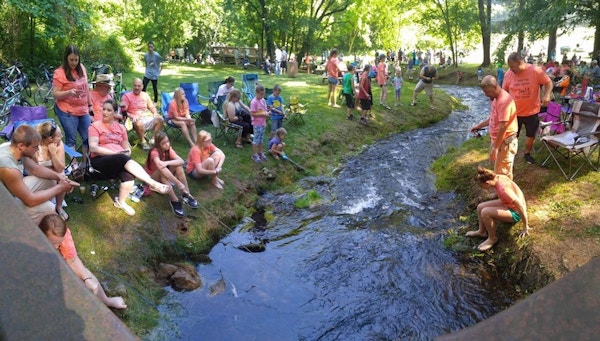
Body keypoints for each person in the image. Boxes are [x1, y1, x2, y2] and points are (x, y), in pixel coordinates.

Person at [88, 99, 170, 216]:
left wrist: (124, 153)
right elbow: (93, 148)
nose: (105, 112)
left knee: (129, 175)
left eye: (109, 110)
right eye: (104, 109)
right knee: (121, 158)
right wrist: (116, 154)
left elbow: (128, 150)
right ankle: (152, 183)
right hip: (99, 160)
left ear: (115, 113)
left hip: (119, 160)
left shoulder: (121, 128)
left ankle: (121, 202)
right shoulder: (95, 126)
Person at [38, 214, 127, 309]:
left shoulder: (65, 236)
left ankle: (107, 301)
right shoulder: (34, 241)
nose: (56, 247)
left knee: (84, 273)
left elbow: (73, 260)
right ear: (41, 234)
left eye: (59, 243)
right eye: (53, 243)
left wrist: (86, 279)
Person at [0, 125, 78, 225]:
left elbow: (35, 169)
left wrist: (60, 177)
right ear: (21, 146)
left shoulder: (12, 148)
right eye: (35, 147)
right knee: (48, 208)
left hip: (9, 192)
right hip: (4, 205)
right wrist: (60, 187)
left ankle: (37, 208)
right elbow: (30, 200)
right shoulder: (9, 169)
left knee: (50, 178)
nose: (37, 149)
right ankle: (22, 229)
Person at [502, 52, 553, 165]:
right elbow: (504, 92)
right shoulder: (508, 74)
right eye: (509, 67)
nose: (510, 69)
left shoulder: (536, 71)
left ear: (520, 62)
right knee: (512, 135)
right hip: (514, 113)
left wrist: (547, 95)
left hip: (532, 112)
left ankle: (527, 153)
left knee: (530, 135)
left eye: (512, 66)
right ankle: (511, 154)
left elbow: (548, 83)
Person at [466, 166, 530, 251]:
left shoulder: (504, 190)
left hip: (515, 212)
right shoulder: (497, 177)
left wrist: (525, 226)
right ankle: (481, 232)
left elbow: (520, 205)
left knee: (485, 212)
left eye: (481, 186)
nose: (481, 188)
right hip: (507, 203)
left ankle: (492, 238)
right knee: (480, 207)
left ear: (487, 183)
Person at [470, 76, 518, 179]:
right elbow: (492, 118)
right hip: (499, 142)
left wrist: (495, 147)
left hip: (505, 143)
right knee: (499, 170)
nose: (486, 95)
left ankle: (504, 194)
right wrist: (478, 126)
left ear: (495, 87)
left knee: (503, 174)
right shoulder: (495, 99)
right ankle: (500, 192)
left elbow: (503, 126)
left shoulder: (504, 101)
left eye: (487, 92)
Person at [52, 44, 92, 161]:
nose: (74, 63)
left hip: (83, 109)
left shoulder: (82, 68)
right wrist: (69, 92)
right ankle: (74, 166)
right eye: (71, 60)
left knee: (88, 137)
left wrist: (90, 105)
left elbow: (86, 88)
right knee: (71, 138)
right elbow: (55, 94)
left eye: (76, 60)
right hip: (67, 111)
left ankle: (86, 164)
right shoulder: (59, 73)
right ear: (66, 58)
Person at [145, 132, 198, 217]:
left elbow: (181, 161)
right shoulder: (154, 152)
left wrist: (167, 163)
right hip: (152, 178)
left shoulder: (168, 149)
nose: (167, 144)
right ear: (158, 145)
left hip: (164, 173)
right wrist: (177, 183)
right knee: (162, 172)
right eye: (163, 143)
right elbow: (160, 166)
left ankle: (186, 193)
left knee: (179, 166)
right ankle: (174, 201)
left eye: (167, 141)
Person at [36, 121, 69, 221]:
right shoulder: (36, 145)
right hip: (37, 175)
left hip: (53, 174)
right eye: (59, 135)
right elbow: (34, 168)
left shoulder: (58, 144)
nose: (62, 137)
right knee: (59, 176)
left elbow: (60, 168)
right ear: (50, 139)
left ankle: (59, 206)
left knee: (62, 175)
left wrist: (53, 154)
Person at [120, 78, 164, 150]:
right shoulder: (127, 96)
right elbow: (123, 111)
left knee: (160, 119)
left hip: (145, 116)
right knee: (139, 123)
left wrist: (155, 113)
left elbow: (151, 106)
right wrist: (132, 115)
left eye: (139, 86)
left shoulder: (145, 95)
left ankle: (153, 140)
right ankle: (143, 142)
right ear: (133, 86)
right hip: (133, 119)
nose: (137, 88)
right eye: (135, 85)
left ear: (142, 86)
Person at [250, 84, 270, 163]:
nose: (262, 96)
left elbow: (264, 110)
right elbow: (252, 114)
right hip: (257, 124)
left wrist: (267, 113)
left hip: (263, 123)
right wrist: (262, 114)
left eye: (263, 94)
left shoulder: (263, 100)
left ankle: (260, 152)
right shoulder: (254, 102)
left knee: (261, 139)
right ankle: (254, 155)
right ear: (257, 93)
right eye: (261, 94)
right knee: (256, 140)